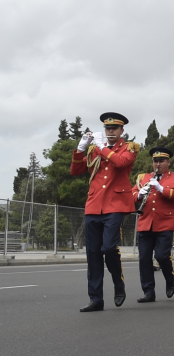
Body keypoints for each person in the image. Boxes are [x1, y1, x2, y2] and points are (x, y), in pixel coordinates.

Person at [71, 112, 139, 312]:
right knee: (92, 254)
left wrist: (100, 147)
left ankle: (118, 284)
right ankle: (96, 299)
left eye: (114, 128)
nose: (110, 131)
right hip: (94, 205)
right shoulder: (94, 149)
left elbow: (120, 163)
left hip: (115, 205)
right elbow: (76, 171)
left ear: (121, 131)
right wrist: (80, 149)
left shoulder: (129, 148)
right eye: (107, 128)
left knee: (108, 248)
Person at [132, 147, 174, 303]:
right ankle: (149, 292)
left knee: (162, 256)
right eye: (155, 161)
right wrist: (139, 194)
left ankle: (170, 279)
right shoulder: (143, 177)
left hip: (165, 224)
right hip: (145, 223)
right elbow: (131, 195)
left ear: (168, 162)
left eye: (161, 161)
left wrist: (161, 188)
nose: (158, 164)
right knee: (144, 259)